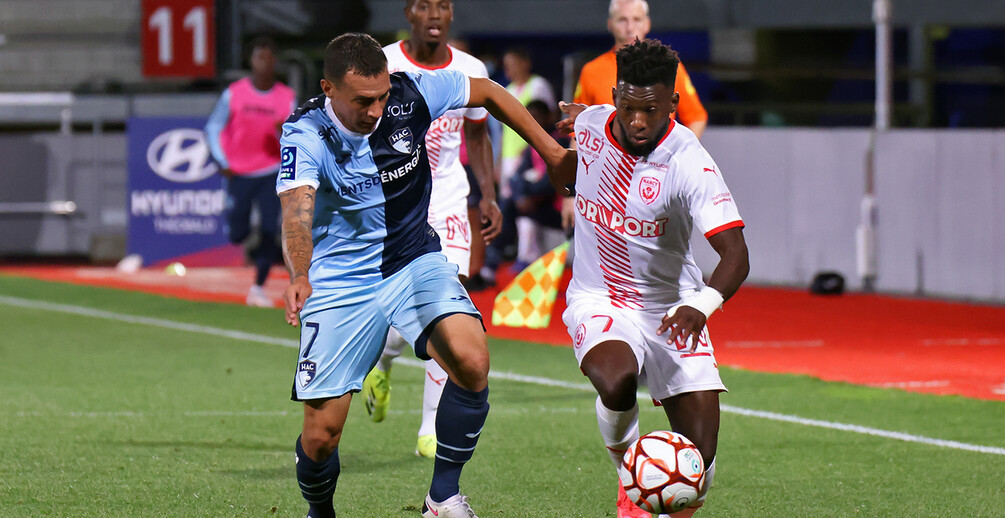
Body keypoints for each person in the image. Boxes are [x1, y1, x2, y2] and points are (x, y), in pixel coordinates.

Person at [277, 33, 570, 518]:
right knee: (321, 436)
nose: (375, 110)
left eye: (381, 97)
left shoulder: (411, 93)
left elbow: (490, 93)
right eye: (361, 101)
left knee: (472, 360)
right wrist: (300, 274)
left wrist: (552, 153)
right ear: (329, 89)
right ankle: (319, 511)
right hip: (342, 278)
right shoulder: (305, 132)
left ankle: (443, 498)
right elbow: (296, 213)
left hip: (415, 259)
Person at [553, 39, 748, 518]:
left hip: (673, 306)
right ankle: (629, 478)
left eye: (652, 110)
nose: (638, 121)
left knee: (698, 463)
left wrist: (699, 307)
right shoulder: (593, 122)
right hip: (599, 298)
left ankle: (662, 496)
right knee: (616, 379)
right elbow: (563, 128)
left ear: (673, 104)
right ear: (615, 94)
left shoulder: (690, 162)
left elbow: (736, 255)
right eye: (628, 106)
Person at [362, 0, 502, 460]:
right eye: (425, 5)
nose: (434, 14)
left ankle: (429, 428)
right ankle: (383, 361)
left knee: (447, 306)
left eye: (443, 5)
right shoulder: (383, 63)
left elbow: (479, 136)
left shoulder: (469, 68)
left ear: (452, 13)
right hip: (399, 204)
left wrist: (488, 194)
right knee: (406, 316)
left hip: (447, 200)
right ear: (410, 13)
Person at [204, 37, 296, 307]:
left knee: (271, 228)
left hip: (271, 170)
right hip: (239, 171)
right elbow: (213, 127)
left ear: (275, 62)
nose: (264, 63)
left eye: (269, 58)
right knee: (237, 233)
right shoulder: (234, 93)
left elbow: (295, 136)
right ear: (251, 61)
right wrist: (222, 160)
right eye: (259, 57)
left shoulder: (286, 97)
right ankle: (246, 238)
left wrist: (283, 134)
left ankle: (258, 286)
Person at [573, 0, 707, 138]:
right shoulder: (591, 71)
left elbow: (696, 117)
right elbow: (577, 129)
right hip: (607, 158)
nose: (630, 27)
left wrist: (679, 153)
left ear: (647, 24)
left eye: (636, 19)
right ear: (610, 24)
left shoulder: (669, 67)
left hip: (656, 157)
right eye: (622, 20)